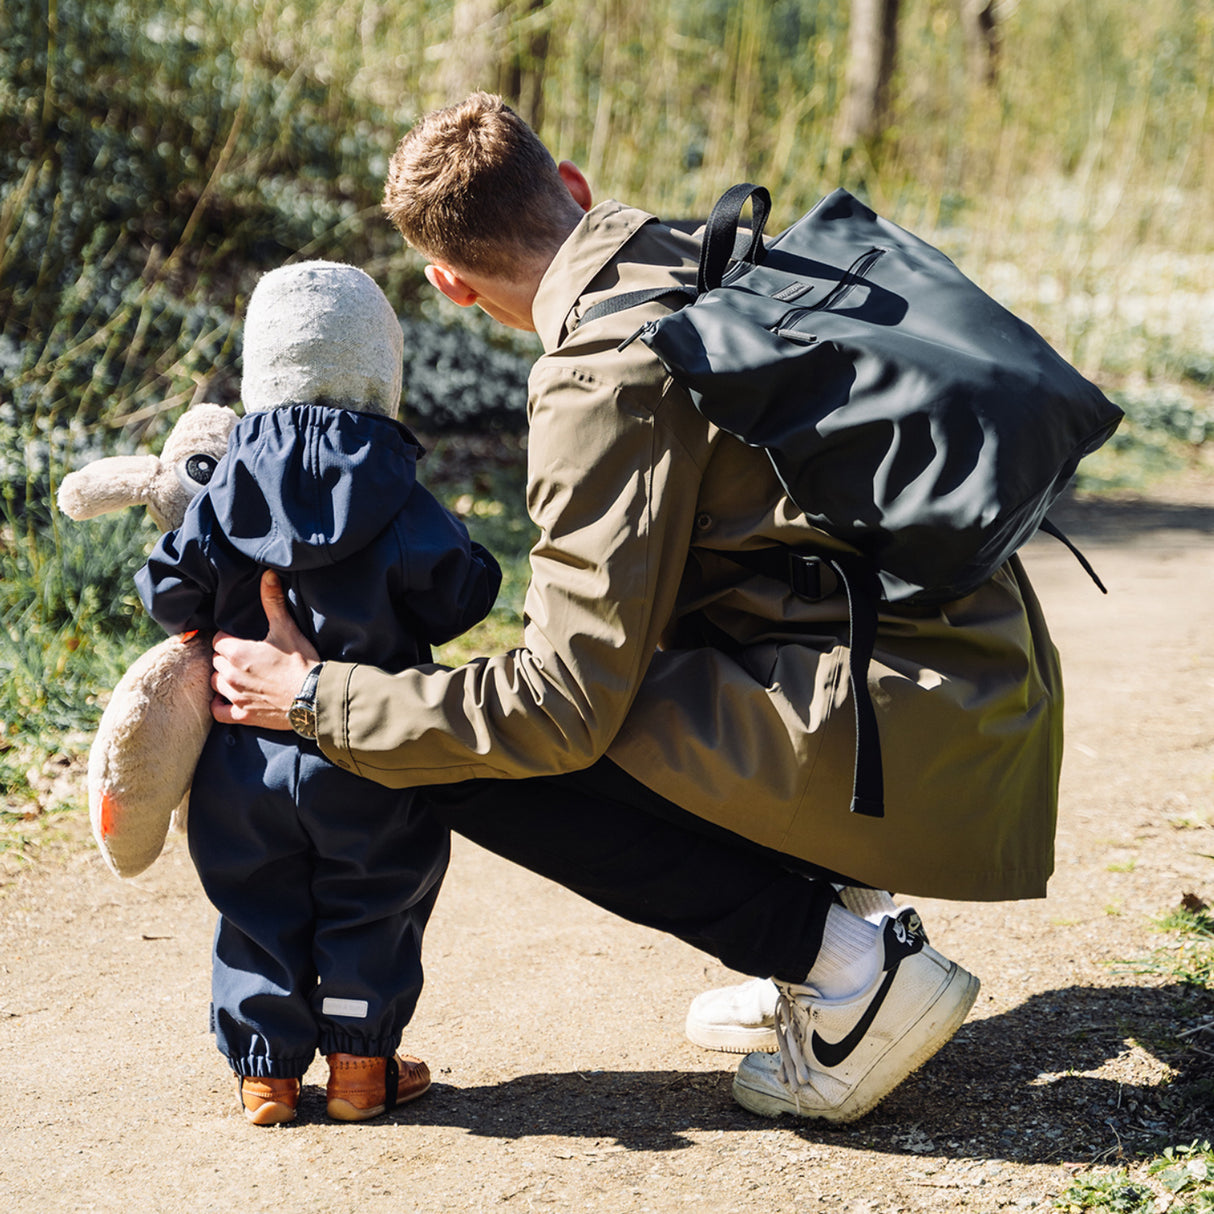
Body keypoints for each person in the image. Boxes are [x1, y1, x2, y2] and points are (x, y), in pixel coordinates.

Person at [210, 93, 1063, 1124]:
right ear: (571, 186)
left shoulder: (601, 374)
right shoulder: (718, 258)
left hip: (915, 739)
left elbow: (559, 705)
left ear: (449, 283)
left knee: (469, 756)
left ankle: (845, 970)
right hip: (971, 690)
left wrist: (320, 699)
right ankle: (841, 918)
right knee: (630, 632)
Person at [136, 260, 501, 1125]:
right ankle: (358, 1069)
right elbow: (463, 593)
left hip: (242, 754)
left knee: (254, 899)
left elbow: (167, 593)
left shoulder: (224, 484)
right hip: (364, 742)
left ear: (261, 370)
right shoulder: (395, 486)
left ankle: (265, 1074)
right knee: (376, 894)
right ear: (383, 370)